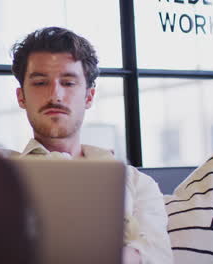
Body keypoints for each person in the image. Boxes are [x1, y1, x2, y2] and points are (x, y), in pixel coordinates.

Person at [11, 27, 173, 264]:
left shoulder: (136, 183)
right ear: (21, 97)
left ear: (88, 97)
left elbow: (158, 255)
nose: (55, 95)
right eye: (40, 82)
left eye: (68, 82)